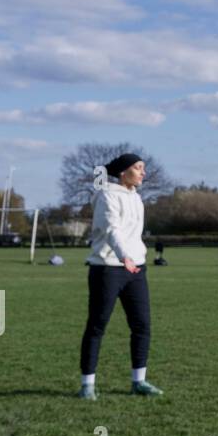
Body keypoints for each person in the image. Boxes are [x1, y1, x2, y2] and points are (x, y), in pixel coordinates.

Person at [77, 152, 163, 398]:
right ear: (123, 172)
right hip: (107, 268)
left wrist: (134, 258)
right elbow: (112, 229)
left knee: (142, 326)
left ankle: (139, 382)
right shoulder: (107, 195)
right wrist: (123, 255)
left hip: (135, 269)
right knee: (97, 326)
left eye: (143, 167)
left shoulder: (137, 199)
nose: (143, 172)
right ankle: (88, 385)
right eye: (138, 168)